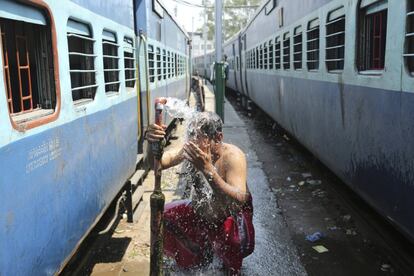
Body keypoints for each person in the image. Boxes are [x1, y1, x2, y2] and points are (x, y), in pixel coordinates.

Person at [146, 111, 255, 275]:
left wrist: (208, 170)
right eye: (191, 137)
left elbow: (239, 199)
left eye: (199, 138)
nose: (193, 144)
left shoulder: (233, 156)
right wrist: (154, 145)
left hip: (230, 219)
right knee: (166, 216)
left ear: (217, 138)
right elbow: (158, 165)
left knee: (233, 241)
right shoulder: (191, 148)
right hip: (202, 215)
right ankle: (195, 255)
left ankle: (228, 266)